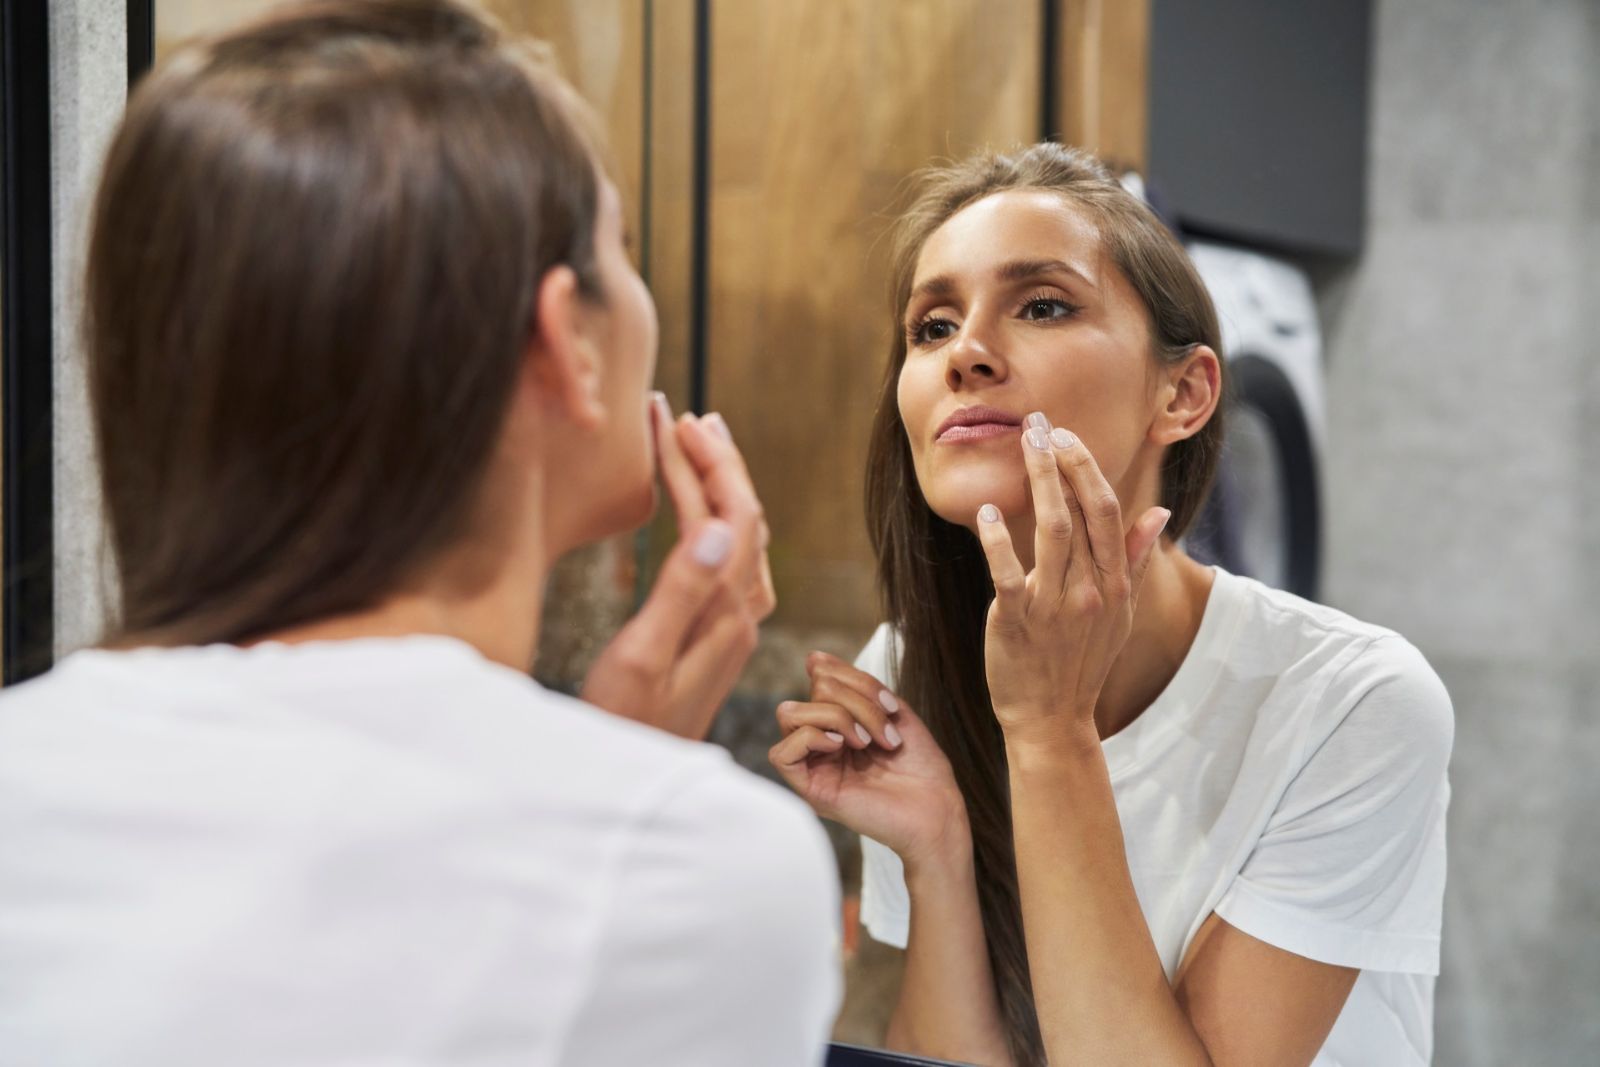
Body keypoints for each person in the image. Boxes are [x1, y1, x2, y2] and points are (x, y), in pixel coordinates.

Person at [0, 2, 839, 1064]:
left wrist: (613, 768)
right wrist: (622, 800)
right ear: (563, 343)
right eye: (623, 248)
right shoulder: (712, 870)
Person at [771, 144, 1452, 1067]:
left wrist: (1048, 734)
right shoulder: (913, 663)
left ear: (1183, 391)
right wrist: (938, 852)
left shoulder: (1354, 701)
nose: (963, 354)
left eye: (1043, 305)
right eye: (931, 327)